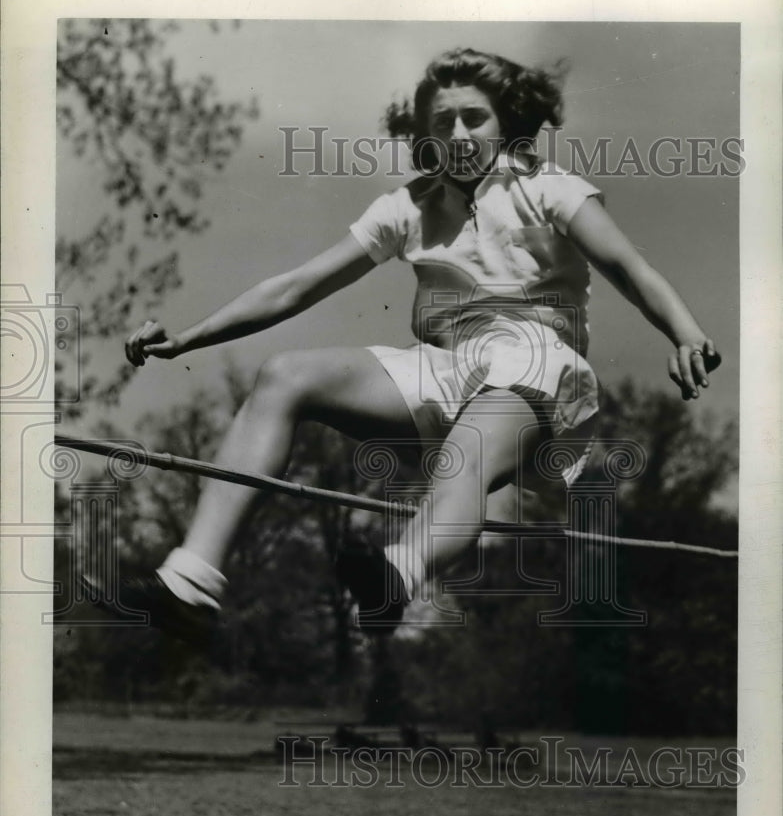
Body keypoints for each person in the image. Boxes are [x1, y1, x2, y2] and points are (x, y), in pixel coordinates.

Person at [83, 47, 720, 646]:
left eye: (476, 118)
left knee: (472, 443)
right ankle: (190, 586)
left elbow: (630, 267)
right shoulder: (407, 207)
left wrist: (686, 333)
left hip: (537, 365)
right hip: (445, 371)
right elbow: (297, 287)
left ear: (506, 124)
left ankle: (398, 574)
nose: (461, 135)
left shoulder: (550, 188)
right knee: (284, 376)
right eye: (443, 123)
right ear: (424, 135)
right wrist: (190, 337)